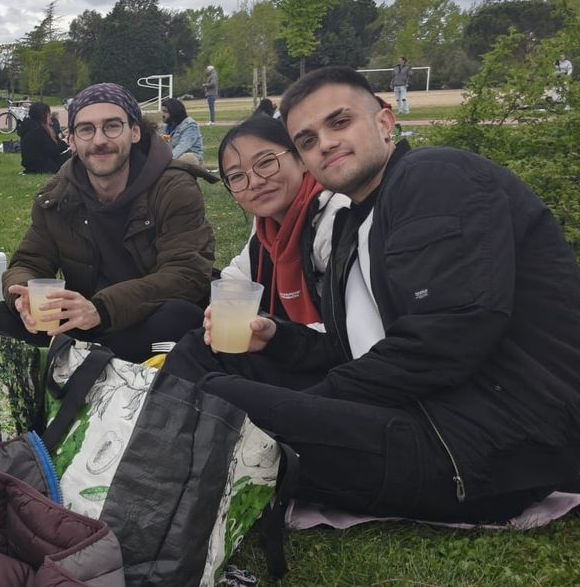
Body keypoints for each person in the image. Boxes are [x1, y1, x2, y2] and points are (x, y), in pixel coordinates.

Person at [165, 66, 580, 523]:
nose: (324, 143)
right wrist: (278, 338)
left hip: (487, 446)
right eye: (306, 139)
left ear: (385, 121)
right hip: (420, 409)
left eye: (339, 123)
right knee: (203, 355)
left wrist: (315, 404)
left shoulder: (434, 178)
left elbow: (445, 340)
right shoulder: (356, 222)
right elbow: (355, 349)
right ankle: (160, 446)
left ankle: (158, 455)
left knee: (219, 400)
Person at [0, 82, 214, 363]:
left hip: (140, 319)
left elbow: (186, 274)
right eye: (86, 129)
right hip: (82, 324)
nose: (99, 140)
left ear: (135, 131)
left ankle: (80, 368)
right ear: (71, 140)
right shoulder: (57, 194)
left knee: (180, 318)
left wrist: (101, 309)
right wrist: (24, 298)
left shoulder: (173, 187)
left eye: (112, 126)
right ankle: (91, 367)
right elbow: (28, 262)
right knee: (1, 317)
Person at [214, 113, 348, 328]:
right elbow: (237, 277)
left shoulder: (336, 218)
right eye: (237, 176)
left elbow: (355, 327)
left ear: (302, 159)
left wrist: (276, 336)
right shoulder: (267, 225)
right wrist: (222, 310)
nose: (255, 182)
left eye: (266, 162)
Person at [17, 101, 70, 175]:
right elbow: (53, 151)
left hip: (34, 165)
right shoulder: (38, 130)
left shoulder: (30, 126)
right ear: (43, 115)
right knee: (75, 153)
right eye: (48, 114)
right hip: (42, 166)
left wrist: (63, 141)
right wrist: (65, 143)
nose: (50, 116)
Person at [159, 97, 204, 167]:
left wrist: (164, 160)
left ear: (174, 112)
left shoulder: (190, 125)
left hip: (189, 157)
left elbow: (182, 147)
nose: (162, 115)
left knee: (187, 158)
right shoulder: (165, 127)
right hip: (171, 158)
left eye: (165, 111)